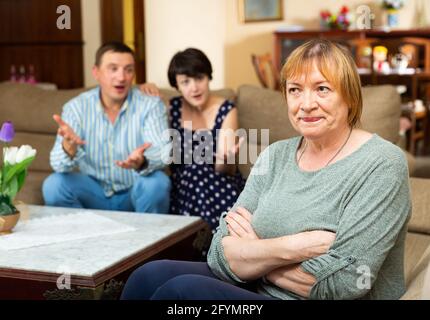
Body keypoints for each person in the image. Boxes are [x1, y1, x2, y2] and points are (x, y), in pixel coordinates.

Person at [121, 39, 411, 300]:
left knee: (181, 292)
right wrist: (293, 247)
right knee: (148, 275)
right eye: (295, 90)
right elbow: (219, 252)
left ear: (349, 95)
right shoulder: (274, 155)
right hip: (255, 286)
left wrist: (253, 254)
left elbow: (344, 282)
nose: (306, 104)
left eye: (322, 89)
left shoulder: (382, 164)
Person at [42, 42, 171, 213]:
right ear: (96, 72)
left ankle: (152, 239)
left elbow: (162, 152)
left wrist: (142, 161)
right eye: (113, 68)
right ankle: (84, 236)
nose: (122, 77)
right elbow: (57, 165)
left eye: (129, 69)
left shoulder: (150, 105)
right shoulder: (76, 108)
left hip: (134, 191)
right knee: (54, 185)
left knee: (157, 182)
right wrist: (68, 148)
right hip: (94, 193)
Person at [143, 48, 245, 232]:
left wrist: (226, 159)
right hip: (183, 188)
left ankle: (214, 241)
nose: (194, 87)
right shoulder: (170, 108)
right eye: (185, 82)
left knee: (199, 172)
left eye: (199, 78)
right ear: (177, 86)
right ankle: (211, 242)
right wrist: (147, 85)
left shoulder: (226, 109)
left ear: (208, 77)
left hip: (219, 184)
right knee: (193, 172)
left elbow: (226, 171)